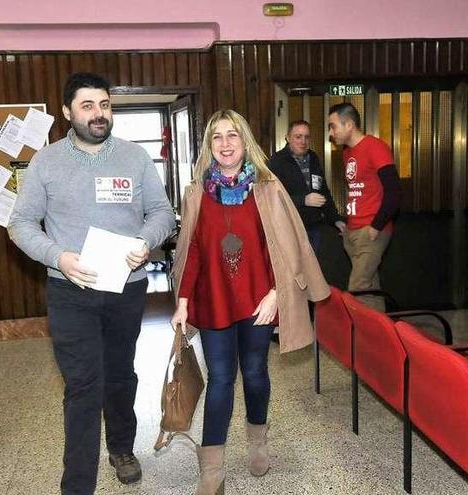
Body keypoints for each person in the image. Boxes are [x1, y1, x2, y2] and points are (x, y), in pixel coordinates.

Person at [8, 72, 175, 495]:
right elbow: (21, 223)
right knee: (83, 385)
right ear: (67, 112)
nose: (98, 114)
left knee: (120, 375)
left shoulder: (135, 158)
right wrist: (57, 257)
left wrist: (145, 240)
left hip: (127, 287)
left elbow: (162, 213)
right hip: (71, 290)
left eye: (104, 105)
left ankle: (121, 448)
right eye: (87, 106)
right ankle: (78, 484)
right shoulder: (46, 162)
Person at [170, 109, 329, 495]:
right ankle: (212, 468)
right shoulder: (196, 193)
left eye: (233, 135)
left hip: (260, 300)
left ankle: (258, 439)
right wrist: (184, 300)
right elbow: (191, 250)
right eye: (217, 137)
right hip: (213, 301)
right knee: (221, 379)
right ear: (209, 146)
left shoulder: (268, 187)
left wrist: (278, 293)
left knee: (255, 373)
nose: (225, 144)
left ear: (245, 143)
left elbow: (286, 246)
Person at [327, 103, 400, 310]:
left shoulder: (375, 147)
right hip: (354, 231)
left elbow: (394, 192)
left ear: (349, 124)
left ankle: (361, 338)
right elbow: (359, 191)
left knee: (357, 289)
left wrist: (376, 227)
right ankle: (380, 337)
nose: (331, 133)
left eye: (333, 127)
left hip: (371, 230)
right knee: (370, 291)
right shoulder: (347, 152)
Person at [268, 120, 345, 255]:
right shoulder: (277, 161)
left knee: (313, 269)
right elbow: (272, 198)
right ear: (287, 137)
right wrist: (303, 200)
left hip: (314, 226)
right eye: (298, 137)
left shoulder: (313, 157)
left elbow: (323, 191)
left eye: (307, 137)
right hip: (289, 228)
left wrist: (336, 219)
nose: (303, 141)